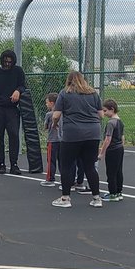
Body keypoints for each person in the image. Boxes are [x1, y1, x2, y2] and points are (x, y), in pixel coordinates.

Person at [51, 70, 104, 209]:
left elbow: (56, 115)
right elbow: (101, 115)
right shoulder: (93, 93)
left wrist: (55, 124)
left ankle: (65, 198)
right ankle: (97, 198)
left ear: (69, 80)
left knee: (67, 165)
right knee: (90, 166)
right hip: (93, 133)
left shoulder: (65, 93)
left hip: (72, 133)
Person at [0, 49, 27, 175]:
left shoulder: (18, 71)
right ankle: (1, 163)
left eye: (10, 61)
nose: (7, 64)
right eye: (5, 61)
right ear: (2, 60)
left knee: (14, 135)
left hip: (12, 108)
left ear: (13, 61)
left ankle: (14, 164)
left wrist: (18, 90)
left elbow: (23, 85)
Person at [99, 99, 125, 202]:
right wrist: (121, 147)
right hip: (119, 148)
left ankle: (113, 193)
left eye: (105, 111)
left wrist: (101, 153)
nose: (104, 113)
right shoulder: (120, 121)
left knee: (111, 172)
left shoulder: (111, 123)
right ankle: (119, 192)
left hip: (113, 149)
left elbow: (108, 139)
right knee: (118, 171)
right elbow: (122, 137)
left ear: (112, 109)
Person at [41, 92, 59, 186]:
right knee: (63, 161)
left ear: (52, 103)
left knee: (51, 160)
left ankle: (50, 179)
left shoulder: (49, 114)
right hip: (62, 140)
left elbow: (46, 127)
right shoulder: (63, 113)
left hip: (52, 140)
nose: (46, 104)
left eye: (47, 102)